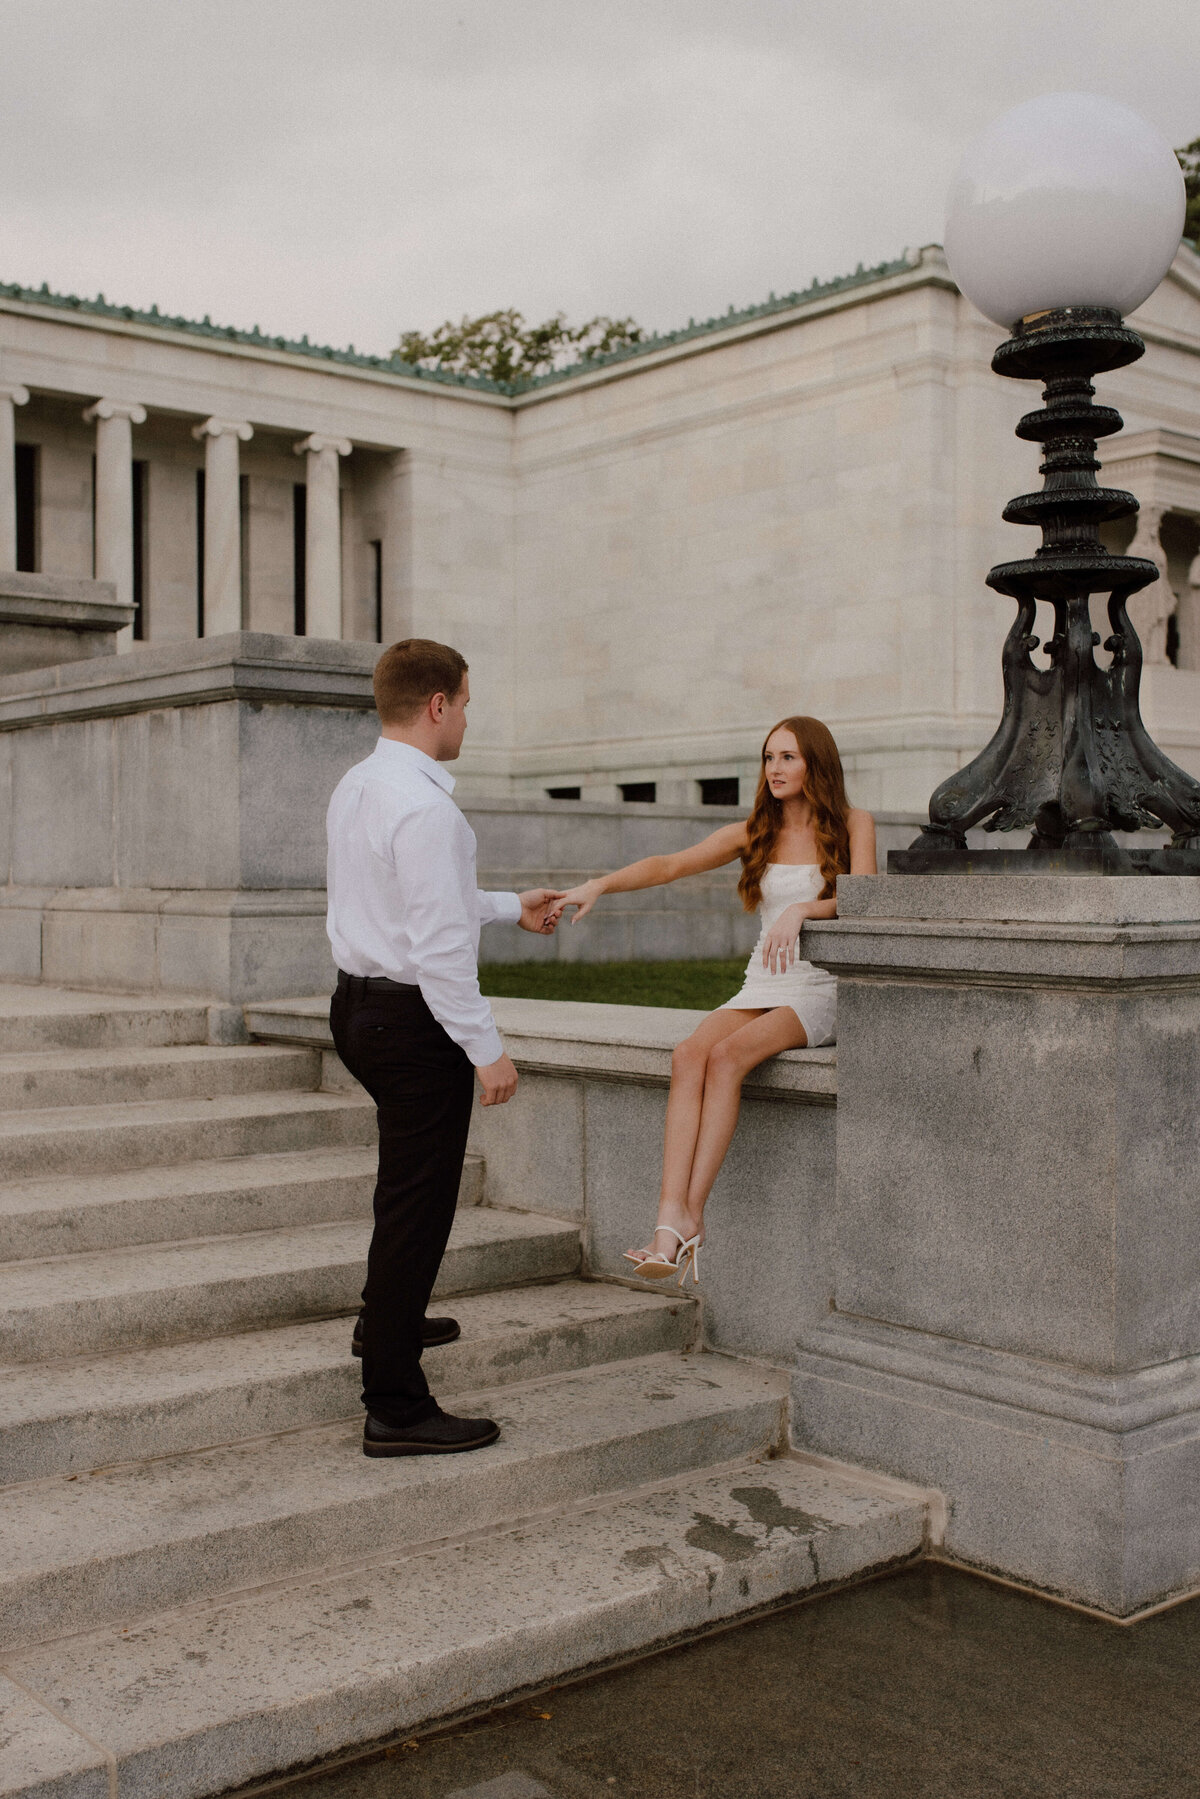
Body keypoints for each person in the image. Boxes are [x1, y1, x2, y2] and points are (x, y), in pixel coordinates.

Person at [326, 639, 561, 1457]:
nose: (467, 716)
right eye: (464, 702)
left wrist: (507, 904)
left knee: (405, 1190)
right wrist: (485, 1047)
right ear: (436, 705)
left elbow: (415, 900)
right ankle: (394, 1402)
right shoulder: (428, 809)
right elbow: (435, 950)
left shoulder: (361, 783)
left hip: (356, 1008)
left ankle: (384, 1319)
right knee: (417, 1202)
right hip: (412, 1024)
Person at [549, 716, 875, 1283]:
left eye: (788, 758)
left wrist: (803, 909)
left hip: (822, 985)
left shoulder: (854, 824)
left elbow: (863, 899)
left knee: (728, 1057)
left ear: (815, 763)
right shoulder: (754, 830)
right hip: (765, 980)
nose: (774, 768)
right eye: (769, 757)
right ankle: (667, 1219)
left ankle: (691, 1218)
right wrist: (599, 884)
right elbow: (670, 865)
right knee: (688, 1054)